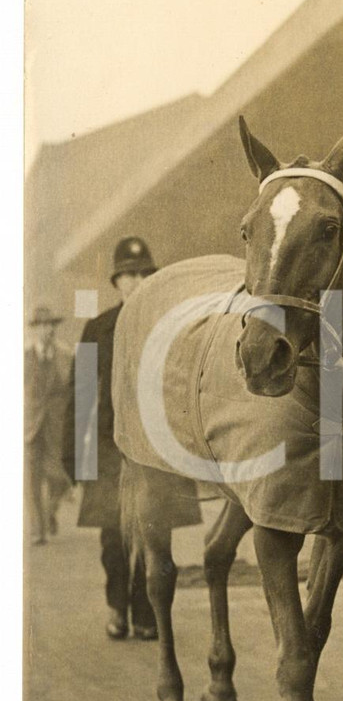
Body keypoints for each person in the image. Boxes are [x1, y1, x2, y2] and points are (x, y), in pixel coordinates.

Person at [63, 236, 201, 640]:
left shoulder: (171, 326)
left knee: (158, 536)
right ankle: (117, 607)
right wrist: (76, 459)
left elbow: (183, 387)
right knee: (113, 538)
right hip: (110, 450)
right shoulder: (97, 327)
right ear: (116, 281)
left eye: (144, 274)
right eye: (129, 275)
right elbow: (82, 395)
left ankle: (147, 614)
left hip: (158, 449)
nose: (137, 281)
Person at [25, 304, 72, 544]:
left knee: (61, 478)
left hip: (58, 426)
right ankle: (37, 530)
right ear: (35, 329)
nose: (47, 330)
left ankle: (50, 510)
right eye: (42, 325)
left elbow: (74, 391)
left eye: (51, 325)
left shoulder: (66, 356)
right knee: (32, 480)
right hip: (30, 428)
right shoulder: (22, 358)